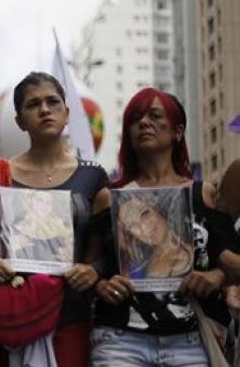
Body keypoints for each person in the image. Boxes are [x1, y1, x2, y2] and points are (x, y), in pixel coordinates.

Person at [91, 88, 240, 366]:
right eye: (135, 118)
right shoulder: (108, 198)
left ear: (178, 131)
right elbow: (88, 268)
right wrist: (102, 285)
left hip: (192, 342)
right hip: (120, 341)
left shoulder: (203, 194)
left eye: (154, 115)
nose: (144, 122)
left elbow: (231, 262)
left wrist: (215, 278)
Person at [0, 72, 110, 366]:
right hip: (12, 316)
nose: (44, 110)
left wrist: (93, 271)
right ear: (20, 120)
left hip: (72, 317)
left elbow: (110, 251)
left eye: (52, 102)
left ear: (67, 113)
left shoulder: (93, 176)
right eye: (33, 105)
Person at [116, 193, 192, 279]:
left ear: (158, 208)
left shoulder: (192, 253)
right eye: (132, 225)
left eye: (144, 214)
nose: (143, 228)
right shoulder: (139, 263)